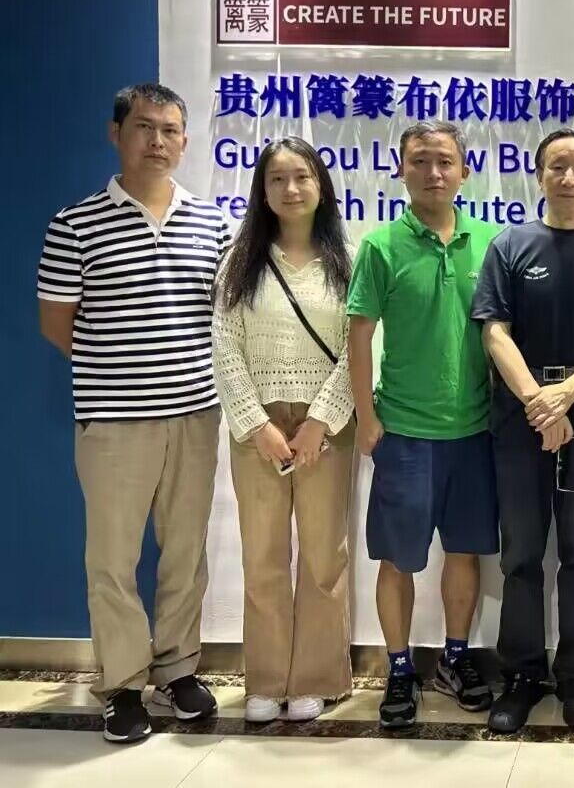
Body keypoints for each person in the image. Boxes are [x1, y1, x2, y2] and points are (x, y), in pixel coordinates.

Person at [36, 84, 227, 743]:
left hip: (195, 415)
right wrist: (123, 367)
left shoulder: (213, 223)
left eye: (170, 130)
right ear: (116, 133)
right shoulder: (76, 223)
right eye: (144, 127)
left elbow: (221, 317)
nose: (157, 141)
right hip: (114, 420)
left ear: (185, 141)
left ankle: (178, 670)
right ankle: (120, 685)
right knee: (112, 559)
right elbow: (57, 323)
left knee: (185, 552)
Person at [473, 128, 574, 734]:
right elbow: (494, 332)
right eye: (557, 167)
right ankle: (521, 675)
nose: (569, 178)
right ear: (539, 176)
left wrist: (566, 395)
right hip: (519, 415)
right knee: (519, 552)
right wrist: (539, 403)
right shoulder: (510, 245)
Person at [346, 120, 502, 727]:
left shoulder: (490, 242)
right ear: (401, 169)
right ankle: (400, 667)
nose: (433, 173)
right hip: (404, 434)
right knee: (397, 560)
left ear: (464, 170)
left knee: (464, 553)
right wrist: (366, 416)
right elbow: (359, 334)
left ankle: (455, 659)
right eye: (420, 161)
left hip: (474, 431)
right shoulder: (381, 246)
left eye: (444, 161)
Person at [211, 136, 357, 724]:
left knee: (324, 557)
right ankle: (267, 680)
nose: (290, 189)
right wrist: (256, 425)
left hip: (327, 427)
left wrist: (321, 419)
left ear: (321, 186)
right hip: (260, 430)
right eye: (277, 179)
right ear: (262, 191)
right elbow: (225, 347)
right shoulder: (239, 261)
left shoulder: (349, 259)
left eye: (302, 177)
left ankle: (317, 678)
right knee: (264, 557)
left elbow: (360, 347)